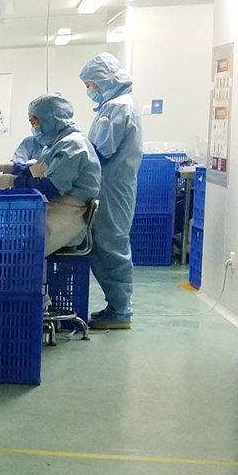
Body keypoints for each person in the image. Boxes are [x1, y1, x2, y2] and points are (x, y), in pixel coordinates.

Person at [0, 93, 100, 255]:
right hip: (60, 205)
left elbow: (51, 188)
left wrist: (13, 181)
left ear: (50, 119)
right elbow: (38, 170)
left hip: (69, 212)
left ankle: (24, 271)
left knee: (23, 251)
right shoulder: (57, 143)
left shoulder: (72, 145)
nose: (33, 128)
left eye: (33, 122)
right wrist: (11, 167)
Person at [80, 52, 143, 329]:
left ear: (104, 80)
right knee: (110, 245)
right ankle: (116, 306)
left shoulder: (116, 107)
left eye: (90, 85)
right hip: (116, 184)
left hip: (111, 187)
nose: (89, 91)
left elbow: (101, 149)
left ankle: (120, 311)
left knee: (111, 246)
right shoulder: (123, 103)